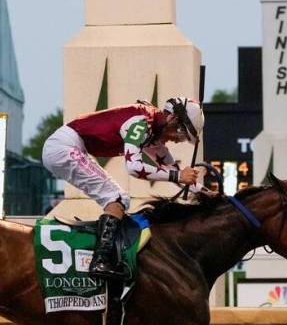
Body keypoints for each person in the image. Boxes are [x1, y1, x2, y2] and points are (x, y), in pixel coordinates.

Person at [41, 97, 204, 279]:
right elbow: (134, 168)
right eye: (181, 133)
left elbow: (173, 169)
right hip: (63, 147)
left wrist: (205, 193)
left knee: (119, 199)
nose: (177, 140)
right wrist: (179, 176)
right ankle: (99, 261)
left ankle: (102, 258)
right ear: (172, 118)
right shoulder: (141, 123)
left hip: (66, 147)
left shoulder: (155, 132)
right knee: (117, 198)